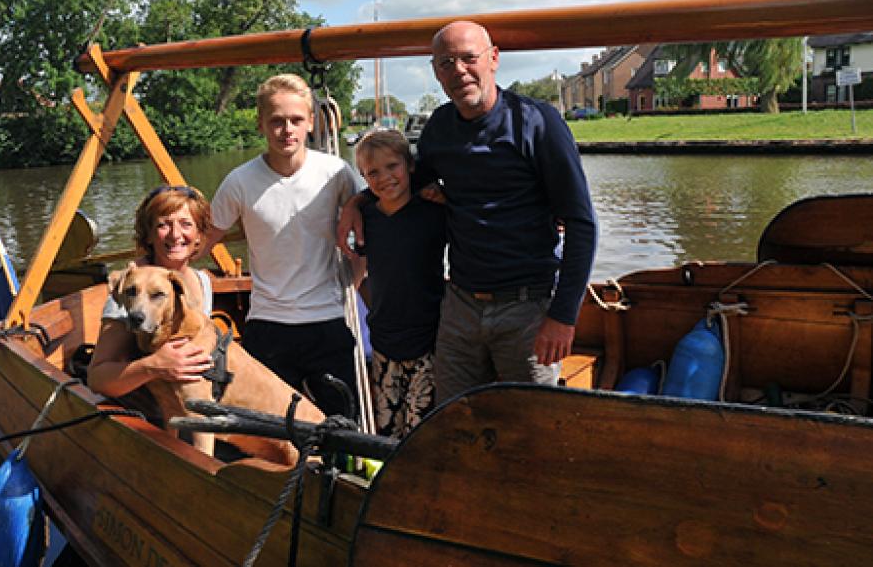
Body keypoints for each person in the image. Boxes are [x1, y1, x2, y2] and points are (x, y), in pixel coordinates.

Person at [339, 21, 597, 405]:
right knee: (453, 418)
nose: (458, 70)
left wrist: (563, 316)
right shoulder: (440, 129)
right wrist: (356, 202)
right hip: (460, 306)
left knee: (531, 422)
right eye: (445, 63)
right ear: (436, 73)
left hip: (527, 307)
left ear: (493, 59)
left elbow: (581, 223)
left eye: (468, 58)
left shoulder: (537, 123)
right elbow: (403, 186)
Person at [198, 73, 364, 417]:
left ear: (310, 123)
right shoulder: (239, 182)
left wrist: (355, 281)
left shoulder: (336, 173)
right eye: (276, 121)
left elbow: (369, 235)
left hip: (327, 323)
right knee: (273, 431)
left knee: (344, 426)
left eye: (296, 120)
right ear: (261, 124)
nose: (286, 129)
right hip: (268, 327)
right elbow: (203, 240)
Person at [352, 129, 445, 438]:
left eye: (392, 167)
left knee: (422, 429)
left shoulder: (435, 212)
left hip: (428, 339)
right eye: (373, 172)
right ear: (364, 177)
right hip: (384, 340)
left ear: (410, 167)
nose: (384, 177)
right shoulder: (364, 217)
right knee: (388, 429)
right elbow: (357, 271)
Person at [86, 185, 214, 398]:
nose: (175, 235)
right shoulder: (130, 290)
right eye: (163, 225)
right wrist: (153, 366)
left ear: (199, 235)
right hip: (142, 404)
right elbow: (97, 379)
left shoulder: (202, 281)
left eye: (186, 224)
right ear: (148, 236)